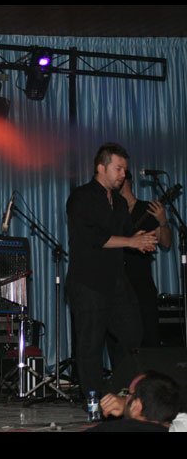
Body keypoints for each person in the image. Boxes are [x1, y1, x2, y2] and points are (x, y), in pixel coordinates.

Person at [65, 143, 158, 400]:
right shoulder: (81, 197)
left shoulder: (118, 201)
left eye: (124, 169)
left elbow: (126, 234)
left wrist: (141, 239)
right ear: (101, 168)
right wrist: (130, 241)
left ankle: (127, 394)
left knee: (132, 336)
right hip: (88, 282)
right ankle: (94, 401)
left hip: (116, 281)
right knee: (91, 344)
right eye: (118, 168)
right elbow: (93, 237)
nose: (123, 174)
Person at [119, 170, 172, 346]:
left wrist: (163, 221)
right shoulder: (113, 212)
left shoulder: (146, 209)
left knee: (149, 336)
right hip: (117, 284)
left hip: (141, 283)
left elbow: (166, 243)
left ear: (125, 181)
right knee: (123, 340)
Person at [87, 371, 181, 432]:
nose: (124, 398)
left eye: (128, 394)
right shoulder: (181, 425)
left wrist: (128, 408)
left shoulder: (119, 428)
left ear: (137, 405)